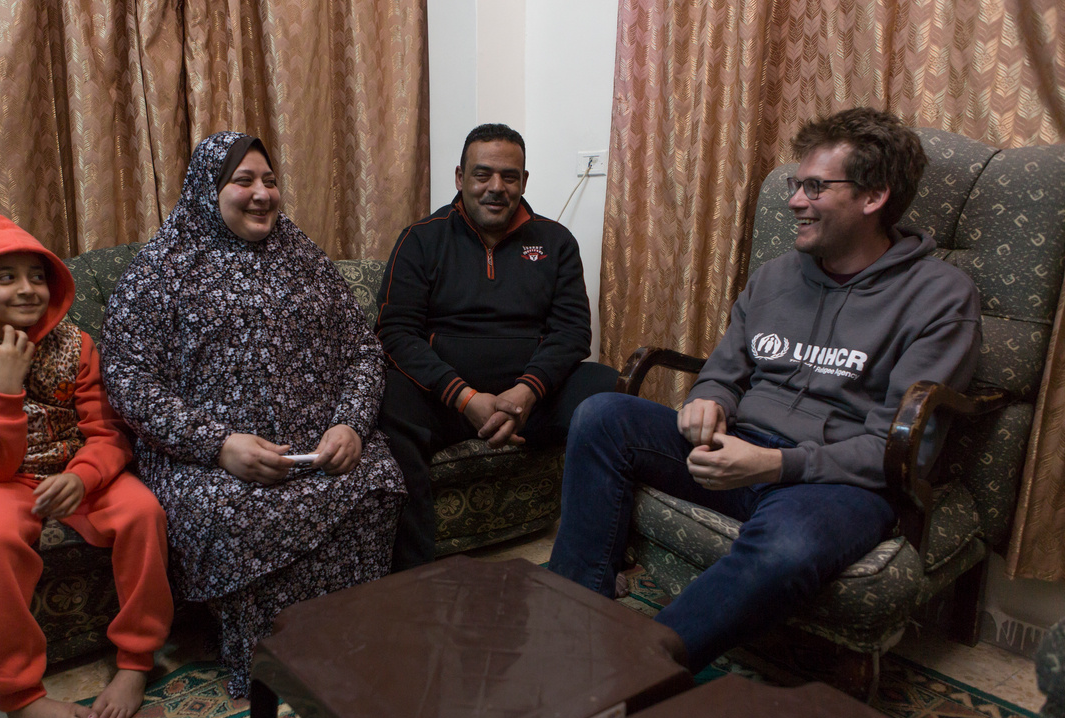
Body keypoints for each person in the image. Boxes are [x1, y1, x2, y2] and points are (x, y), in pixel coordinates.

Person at [548, 107, 982, 671]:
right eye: (795, 184)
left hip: (833, 483)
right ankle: (574, 606)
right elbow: (724, 370)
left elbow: (902, 448)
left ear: (873, 197)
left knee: (788, 548)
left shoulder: (941, 297)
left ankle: (637, 668)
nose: (795, 200)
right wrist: (710, 400)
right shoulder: (777, 276)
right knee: (602, 412)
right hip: (738, 448)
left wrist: (776, 465)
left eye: (814, 187)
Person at [100, 131, 406, 697]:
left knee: (378, 477)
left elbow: (363, 349)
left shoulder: (302, 254)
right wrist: (219, 444)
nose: (262, 193)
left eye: (269, 180)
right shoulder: (161, 269)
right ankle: (269, 663)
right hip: (207, 461)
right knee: (235, 511)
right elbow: (126, 378)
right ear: (206, 190)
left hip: (316, 446)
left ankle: (350, 640)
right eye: (243, 181)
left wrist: (350, 424)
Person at [0, 209, 173, 718]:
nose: (27, 289)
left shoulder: (75, 346)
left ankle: (136, 659)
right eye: (5, 277)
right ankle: (20, 696)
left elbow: (108, 434)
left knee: (143, 512)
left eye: (36, 276)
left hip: (70, 468)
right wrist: (4, 389)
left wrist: (83, 477)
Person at [376, 123, 618, 570]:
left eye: (509, 176)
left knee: (605, 391)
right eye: (482, 174)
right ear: (459, 177)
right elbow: (395, 333)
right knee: (385, 396)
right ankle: (413, 573)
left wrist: (525, 393)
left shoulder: (556, 242)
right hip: (444, 401)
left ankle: (594, 556)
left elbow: (572, 333)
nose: (496, 188)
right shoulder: (421, 239)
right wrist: (465, 398)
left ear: (524, 181)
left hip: (530, 400)